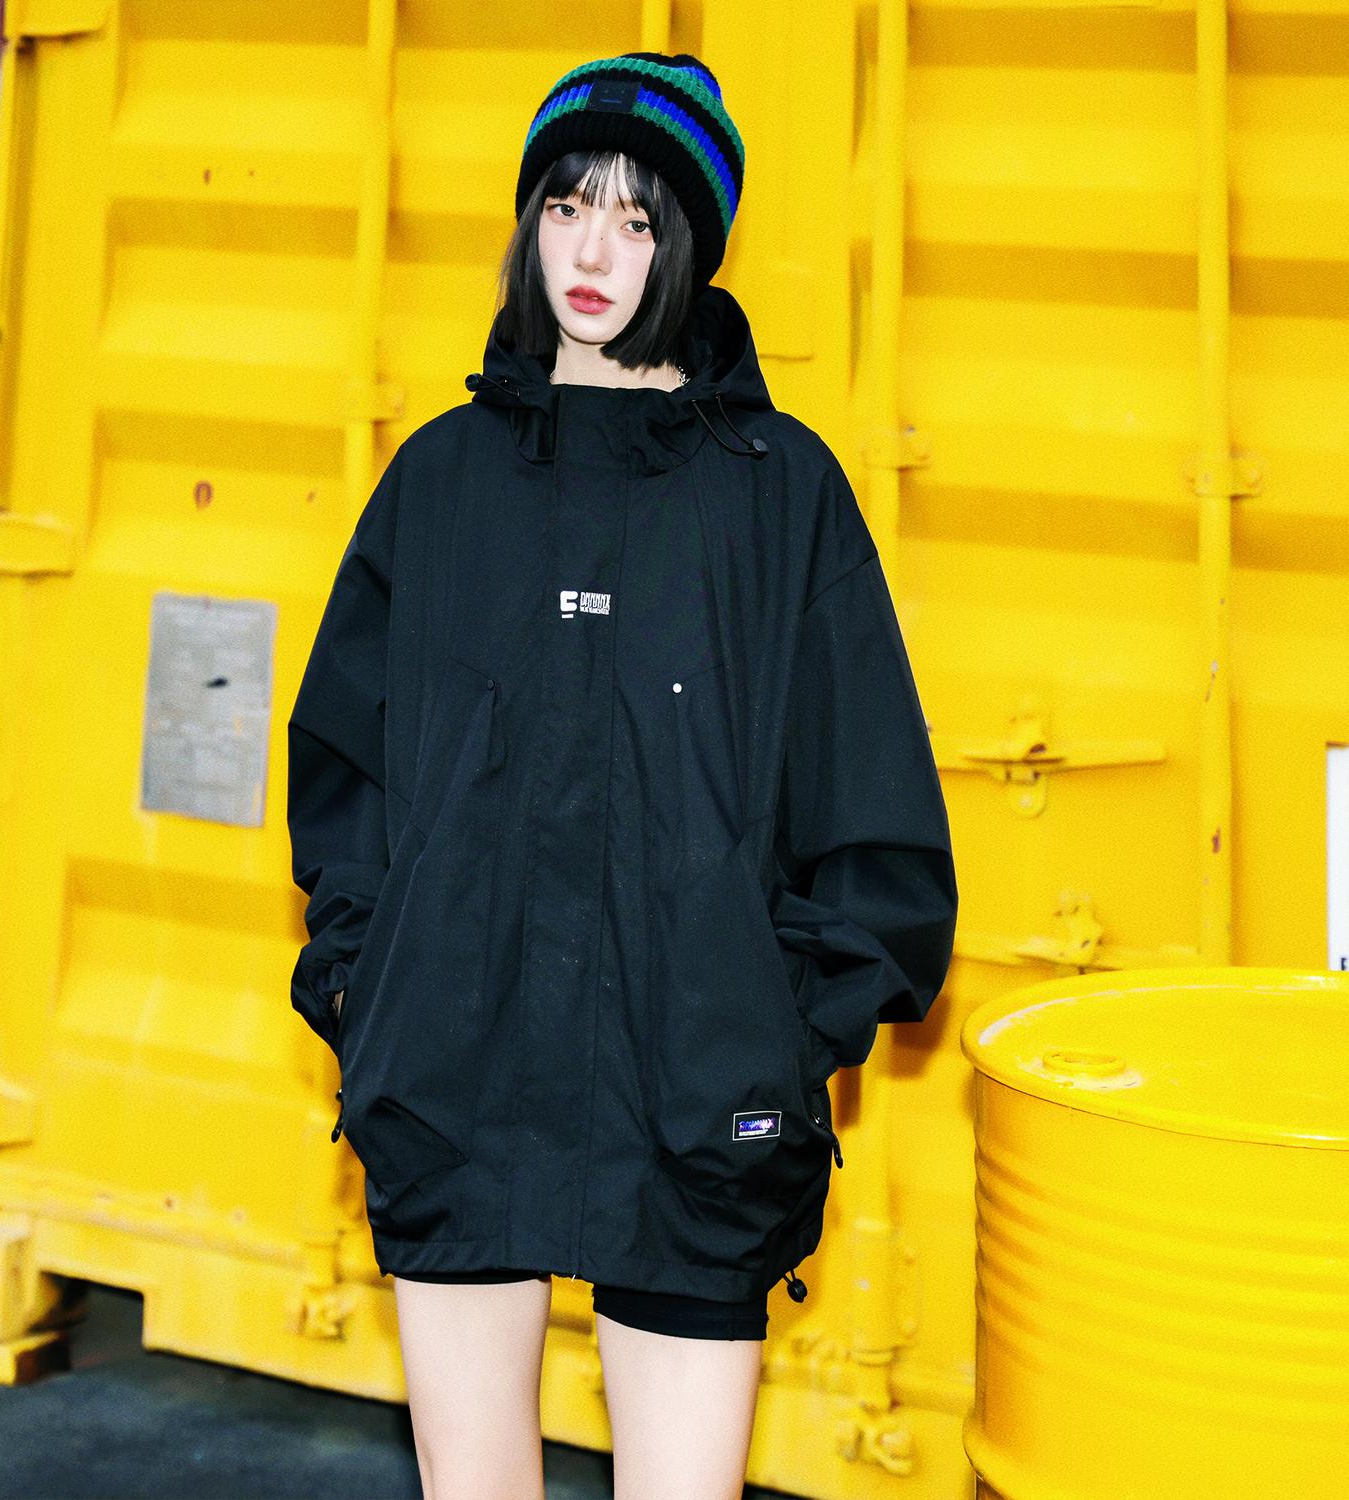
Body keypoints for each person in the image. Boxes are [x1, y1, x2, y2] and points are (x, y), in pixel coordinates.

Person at [286, 52, 958, 1500]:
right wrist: (367, 986)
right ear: (529, 223)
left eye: (639, 219)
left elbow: (875, 817)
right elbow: (345, 776)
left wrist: (781, 1036)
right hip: (453, 1083)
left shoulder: (780, 492)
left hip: (698, 1103)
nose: (594, 252)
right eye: (568, 205)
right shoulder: (440, 481)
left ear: (689, 247)